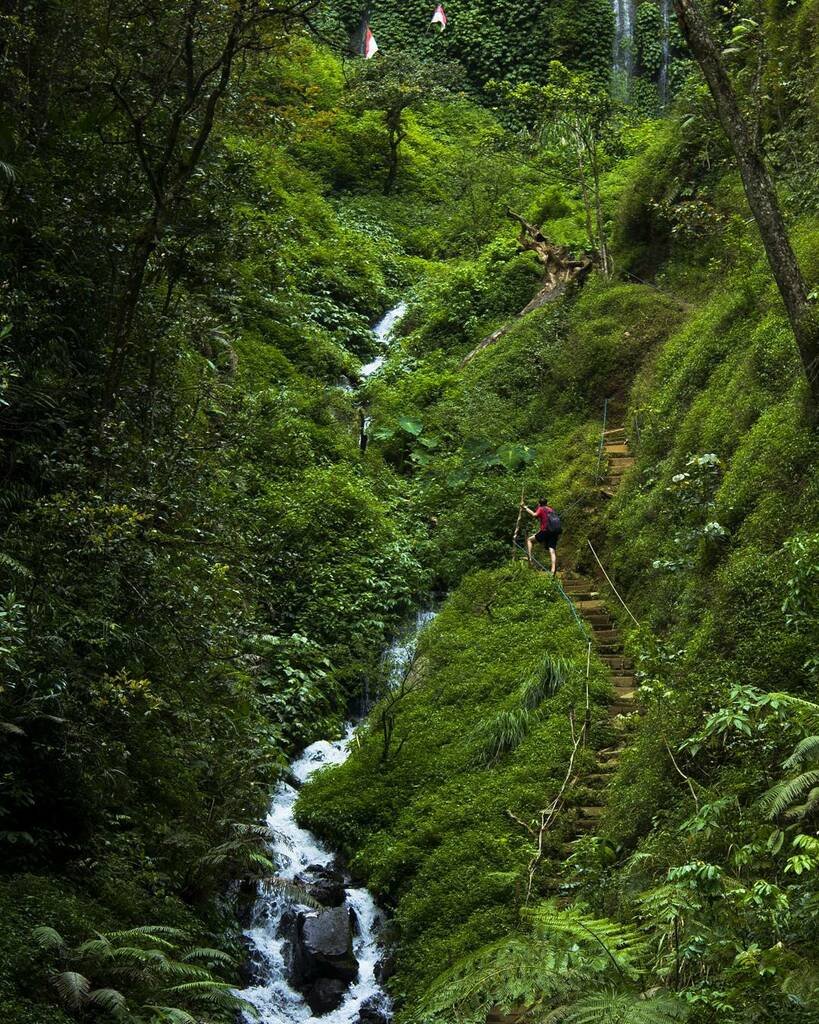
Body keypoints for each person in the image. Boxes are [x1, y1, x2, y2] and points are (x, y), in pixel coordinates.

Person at [522, 499, 561, 574]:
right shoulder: (551, 509)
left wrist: (525, 508)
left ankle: (529, 558)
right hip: (554, 531)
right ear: (547, 503)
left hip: (546, 531)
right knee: (552, 549)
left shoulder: (541, 508)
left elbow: (534, 515)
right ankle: (553, 570)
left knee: (529, 540)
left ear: (539, 504)